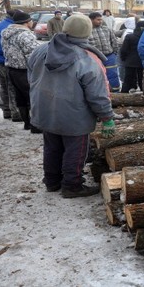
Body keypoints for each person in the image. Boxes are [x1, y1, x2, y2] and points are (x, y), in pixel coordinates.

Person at [27, 14, 115, 198]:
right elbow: (97, 95)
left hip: (45, 109)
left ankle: (52, 181)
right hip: (75, 115)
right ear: (87, 33)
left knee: (52, 146)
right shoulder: (88, 59)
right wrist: (107, 118)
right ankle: (72, 186)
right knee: (75, 151)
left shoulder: (42, 50)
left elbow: (32, 77)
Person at [1, 11, 42, 133]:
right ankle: (36, 126)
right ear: (26, 22)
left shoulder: (5, 33)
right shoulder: (25, 35)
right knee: (33, 98)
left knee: (20, 98)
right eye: (30, 20)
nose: (32, 22)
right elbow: (34, 54)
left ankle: (27, 123)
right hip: (25, 71)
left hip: (11, 69)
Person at [0, 10, 21, 121]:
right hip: (7, 61)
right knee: (12, 87)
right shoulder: (11, 28)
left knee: (2, 86)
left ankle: (6, 110)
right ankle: (15, 113)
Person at [88, 12, 121, 92]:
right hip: (95, 58)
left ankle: (116, 93)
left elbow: (114, 41)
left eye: (101, 20)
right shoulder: (87, 31)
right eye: (98, 20)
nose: (100, 21)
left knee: (113, 75)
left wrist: (114, 53)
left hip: (109, 56)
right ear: (91, 20)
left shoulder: (106, 29)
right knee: (97, 76)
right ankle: (100, 93)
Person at [120, 21, 144, 93]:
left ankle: (123, 95)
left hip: (130, 61)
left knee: (128, 79)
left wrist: (123, 58)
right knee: (143, 79)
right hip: (142, 61)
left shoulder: (129, 36)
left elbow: (123, 49)